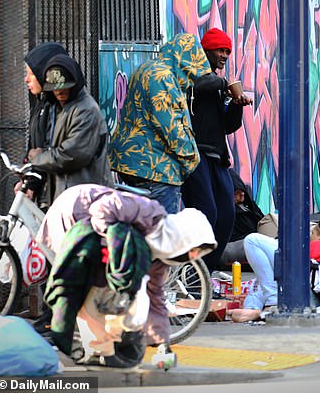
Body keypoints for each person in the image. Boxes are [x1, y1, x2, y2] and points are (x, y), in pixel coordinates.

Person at [34, 184, 217, 367]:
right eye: (193, 250)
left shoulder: (160, 257)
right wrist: (115, 246)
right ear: (181, 238)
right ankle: (89, 347)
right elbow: (101, 209)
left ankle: (96, 347)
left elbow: (156, 299)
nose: (193, 257)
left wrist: (162, 344)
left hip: (99, 240)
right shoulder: (148, 212)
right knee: (91, 292)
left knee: (108, 293)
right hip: (75, 213)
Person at [107, 33, 211, 353]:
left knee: (135, 239)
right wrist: (191, 160)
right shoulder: (164, 78)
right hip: (157, 170)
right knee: (157, 247)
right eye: (192, 71)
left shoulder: (147, 68)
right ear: (186, 59)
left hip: (131, 165)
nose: (192, 79)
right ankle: (150, 317)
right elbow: (172, 126)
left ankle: (128, 308)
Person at [182, 28, 253, 271]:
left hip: (217, 158)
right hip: (196, 156)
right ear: (206, 50)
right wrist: (227, 85)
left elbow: (229, 125)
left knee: (226, 214)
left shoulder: (215, 82)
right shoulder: (195, 76)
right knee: (206, 213)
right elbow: (201, 83)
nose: (224, 55)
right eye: (220, 50)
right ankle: (194, 271)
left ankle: (206, 271)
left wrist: (236, 104)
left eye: (227, 51)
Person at [28, 54, 112, 206]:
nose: (60, 92)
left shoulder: (86, 110)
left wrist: (38, 158)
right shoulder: (60, 108)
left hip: (85, 199)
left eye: (65, 87)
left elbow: (71, 155)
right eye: (55, 89)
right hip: (69, 196)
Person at [227, 218, 320, 323]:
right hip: (319, 303)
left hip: (306, 297)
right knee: (267, 277)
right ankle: (253, 309)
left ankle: (267, 304)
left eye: (312, 233)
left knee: (252, 240)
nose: (309, 236)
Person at [18, 42, 69, 206]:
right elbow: (34, 146)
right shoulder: (40, 103)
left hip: (57, 193)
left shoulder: (57, 107)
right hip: (44, 189)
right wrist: (26, 180)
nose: (26, 79)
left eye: (31, 74)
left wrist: (32, 181)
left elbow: (54, 148)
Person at [216, 169, 264, 269]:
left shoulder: (249, 206)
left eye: (242, 191)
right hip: (237, 247)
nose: (242, 194)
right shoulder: (225, 211)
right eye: (236, 193)